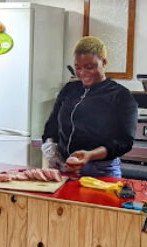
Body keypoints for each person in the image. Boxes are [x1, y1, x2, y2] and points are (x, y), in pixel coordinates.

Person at [41, 36, 138, 178]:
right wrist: (51, 149)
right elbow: (52, 125)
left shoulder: (121, 96)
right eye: (77, 68)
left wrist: (90, 155)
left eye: (89, 67)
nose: (82, 73)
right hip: (64, 168)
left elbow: (124, 141)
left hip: (101, 171)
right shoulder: (69, 89)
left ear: (104, 62)